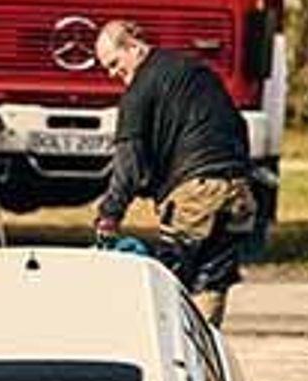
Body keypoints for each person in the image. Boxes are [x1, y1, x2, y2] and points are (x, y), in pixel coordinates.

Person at [92, 17, 258, 326]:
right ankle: (204, 359)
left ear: (132, 46)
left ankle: (170, 359)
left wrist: (109, 214)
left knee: (168, 284)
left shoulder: (139, 91)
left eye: (114, 63)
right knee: (211, 280)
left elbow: (129, 162)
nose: (114, 74)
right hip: (236, 191)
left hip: (196, 193)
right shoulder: (195, 71)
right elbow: (239, 125)